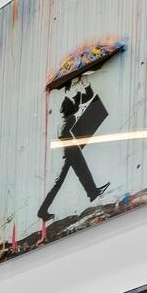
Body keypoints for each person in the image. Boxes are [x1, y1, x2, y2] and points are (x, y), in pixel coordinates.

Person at [37, 79, 110, 224]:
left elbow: (83, 102)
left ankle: (92, 192)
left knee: (79, 169)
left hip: (68, 139)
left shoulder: (68, 99)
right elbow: (81, 104)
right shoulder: (66, 99)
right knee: (64, 177)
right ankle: (42, 211)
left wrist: (86, 88)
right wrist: (86, 87)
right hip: (67, 140)